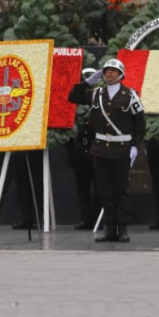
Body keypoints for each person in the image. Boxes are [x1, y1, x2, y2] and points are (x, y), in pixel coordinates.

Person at [69, 58, 146, 243]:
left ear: (121, 75)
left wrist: (135, 145)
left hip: (121, 149)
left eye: (113, 71)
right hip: (101, 149)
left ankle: (123, 228)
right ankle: (109, 228)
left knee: (121, 191)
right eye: (106, 71)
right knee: (105, 191)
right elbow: (72, 97)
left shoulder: (130, 95)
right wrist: (88, 82)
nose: (109, 73)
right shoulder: (96, 93)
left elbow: (140, 121)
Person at [65, 67, 100, 230]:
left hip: (97, 149)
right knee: (83, 189)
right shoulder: (76, 99)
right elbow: (73, 95)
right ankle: (86, 219)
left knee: (100, 188)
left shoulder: (98, 97)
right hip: (80, 149)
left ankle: (99, 220)